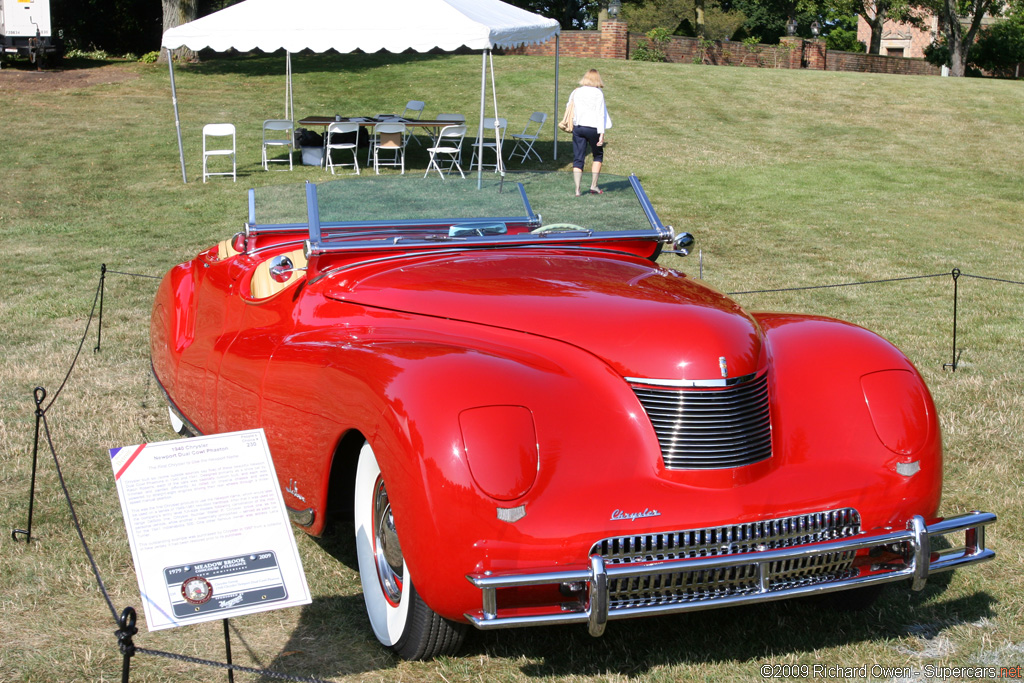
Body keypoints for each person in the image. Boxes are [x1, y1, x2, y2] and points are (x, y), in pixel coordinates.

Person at [568, 69, 612, 196]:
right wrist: (602, 134)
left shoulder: (577, 91)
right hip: (593, 128)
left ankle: (577, 189)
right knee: (597, 155)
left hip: (579, 127)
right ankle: (594, 185)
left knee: (578, 159)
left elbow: (569, 107)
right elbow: (600, 114)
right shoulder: (598, 93)